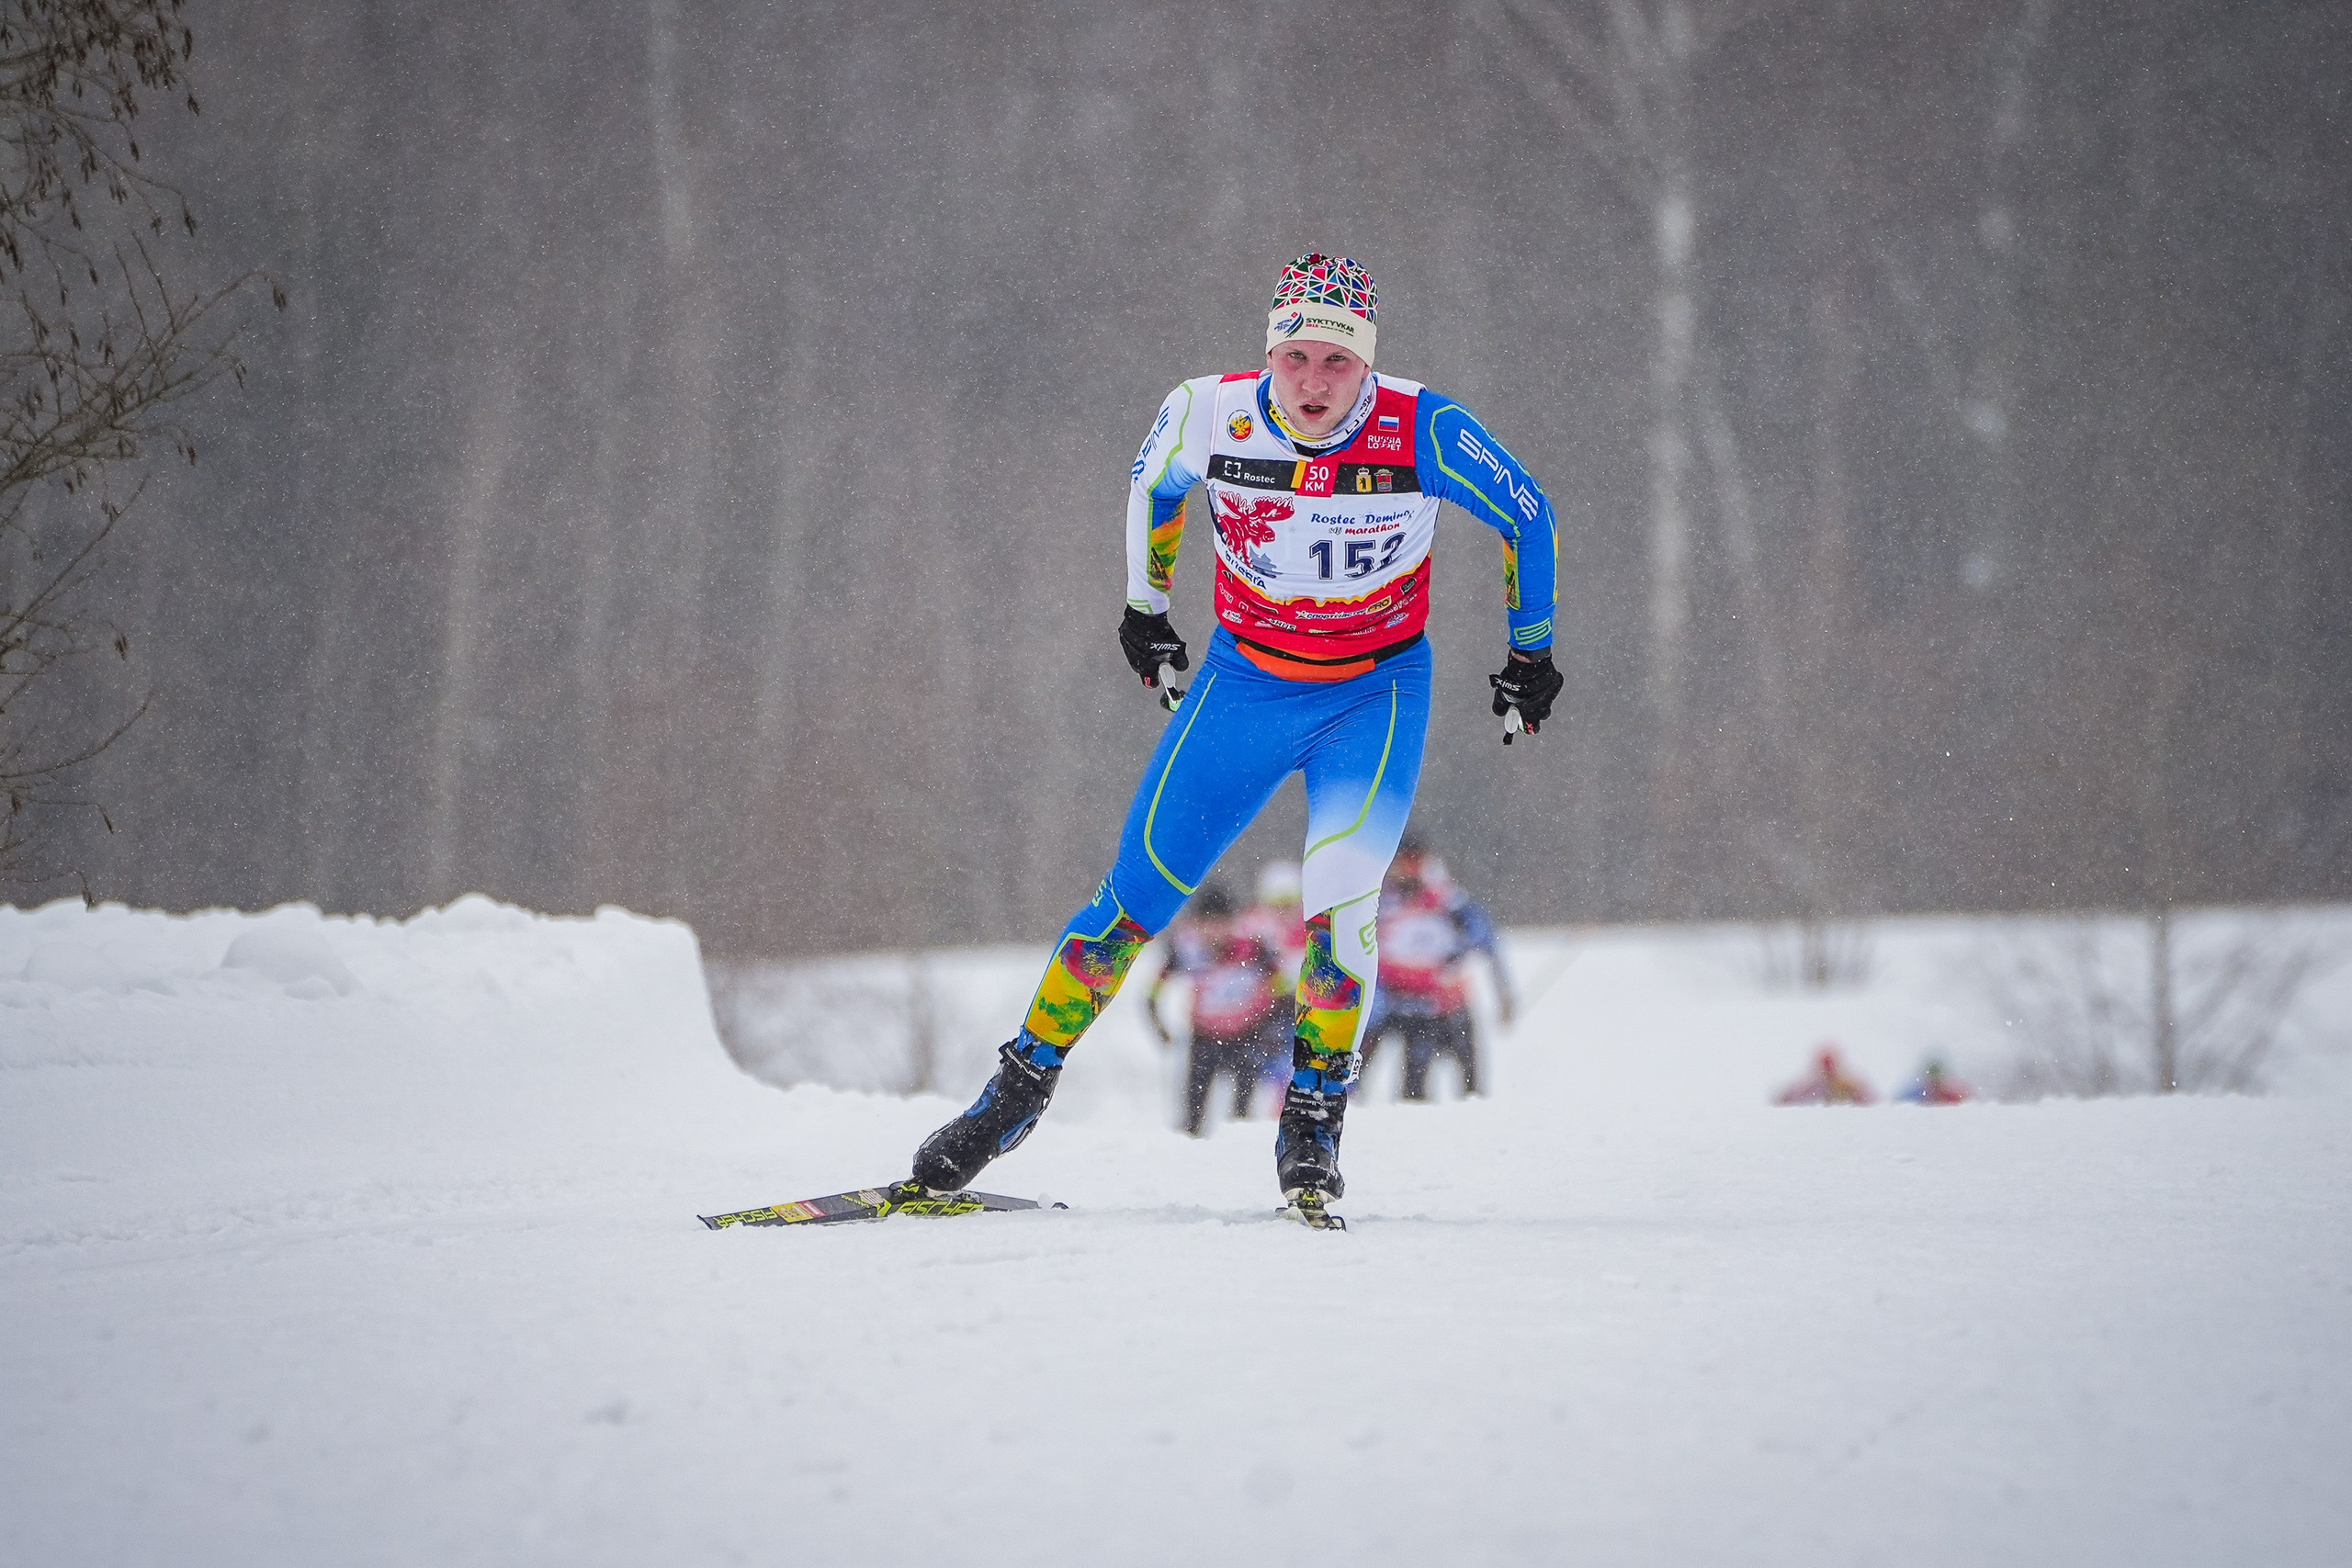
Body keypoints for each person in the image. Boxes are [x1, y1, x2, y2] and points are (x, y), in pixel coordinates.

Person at [909, 252, 1563, 1225]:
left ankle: (1311, 1119)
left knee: (1341, 909)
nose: (1311, 383)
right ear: (1269, 351)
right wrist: (1145, 609)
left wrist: (1531, 653)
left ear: (1366, 368)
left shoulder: (1425, 427)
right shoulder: (1208, 412)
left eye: (1336, 365)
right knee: (1129, 901)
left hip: (1371, 699)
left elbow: (1526, 513)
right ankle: (1015, 1091)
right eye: (1294, 356)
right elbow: (1154, 488)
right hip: (1244, 686)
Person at [1359, 837, 1514, 1100]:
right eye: (1404, 861)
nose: (1410, 868)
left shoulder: (1446, 898)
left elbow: (1485, 937)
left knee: (1469, 1085)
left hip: (1445, 1004)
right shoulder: (1379, 899)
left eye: (1416, 860)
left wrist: (1503, 991)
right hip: (1393, 1003)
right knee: (1396, 1083)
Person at [1146, 885, 1285, 1136]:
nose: (1212, 932)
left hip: (1247, 1037)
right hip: (1204, 1038)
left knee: (1242, 1117)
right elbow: (1153, 992)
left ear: (1232, 922)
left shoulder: (1252, 948)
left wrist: (1271, 1026)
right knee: (1192, 1116)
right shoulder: (1188, 951)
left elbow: (1282, 987)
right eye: (1205, 924)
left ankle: (1236, 1157)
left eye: (1219, 924)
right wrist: (1160, 1025)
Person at [1774, 1044, 1876, 1106]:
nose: (1827, 1071)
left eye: (1829, 1066)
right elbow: (1784, 1098)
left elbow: (1871, 1102)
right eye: (1825, 1067)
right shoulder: (1808, 1085)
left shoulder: (1850, 1084)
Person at [1894, 1057, 1973, 1105]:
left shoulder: (1954, 1094)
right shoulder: (1913, 1094)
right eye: (1932, 1077)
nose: (1934, 1081)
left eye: (1937, 1077)